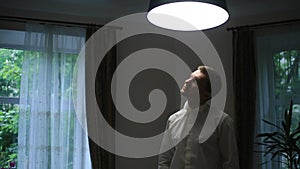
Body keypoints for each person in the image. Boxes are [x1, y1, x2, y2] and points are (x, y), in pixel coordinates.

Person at [158, 66, 239, 169]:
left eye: (195, 81)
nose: (187, 81)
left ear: (206, 94)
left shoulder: (221, 122)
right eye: (189, 77)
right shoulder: (173, 120)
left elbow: (230, 164)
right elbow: (164, 162)